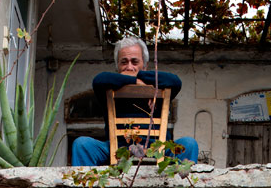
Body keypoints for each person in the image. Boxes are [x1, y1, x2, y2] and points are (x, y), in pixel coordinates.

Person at [71, 36, 199, 167]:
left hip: (157, 150)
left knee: (189, 144)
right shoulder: (109, 88)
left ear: (144, 65)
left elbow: (175, 81)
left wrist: (144, 83)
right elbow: (99, 80)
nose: (129, 67)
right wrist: (136, 81)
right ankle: (83, 187)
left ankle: (182, 186)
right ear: (117, 66)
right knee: (82, 144)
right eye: (124, 62)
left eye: (134, 62)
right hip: (118, 150)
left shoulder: (157, 90)